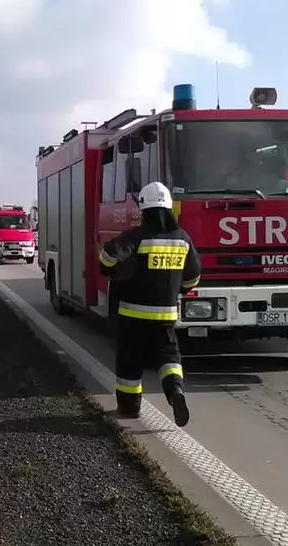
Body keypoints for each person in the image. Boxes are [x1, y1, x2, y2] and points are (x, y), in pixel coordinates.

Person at [98, 181, 201, 427]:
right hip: (166, 315)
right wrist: (178, 289)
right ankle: (175, 391)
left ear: (144, 210)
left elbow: (107, 259)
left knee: (130, 359)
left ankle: (129, 408)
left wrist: (118, 268)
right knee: (169, 355)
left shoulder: (136, 237)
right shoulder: (183, 239)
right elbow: (193, 277)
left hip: (132, 315)